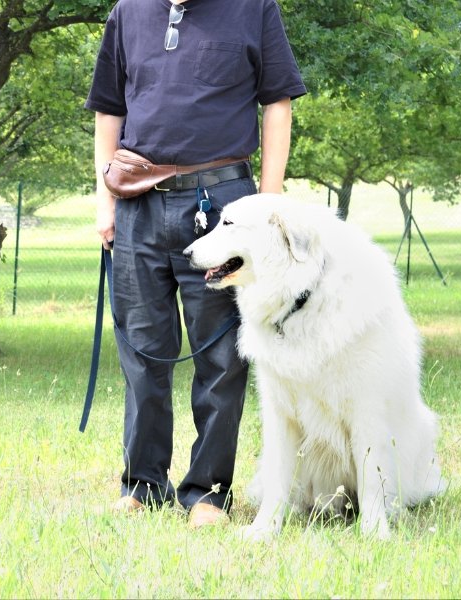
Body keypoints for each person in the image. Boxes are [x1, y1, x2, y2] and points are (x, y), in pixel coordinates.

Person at [85, 0, 306, 527]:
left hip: (222, 204)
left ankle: (207, 494)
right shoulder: (128, 11)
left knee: (221, 357)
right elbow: (109, 109)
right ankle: (142, 485)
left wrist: (267, 203)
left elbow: (278, 103)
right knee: (142, 349)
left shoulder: (254, 8)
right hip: (136, 198)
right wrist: (103, 199)